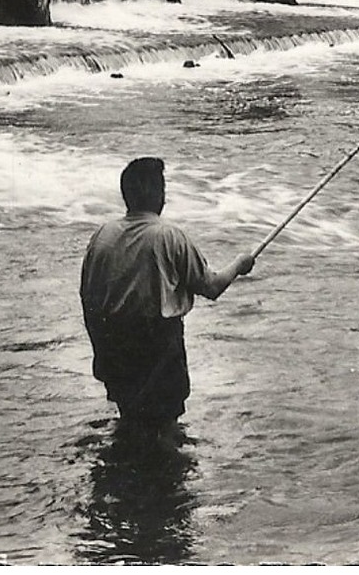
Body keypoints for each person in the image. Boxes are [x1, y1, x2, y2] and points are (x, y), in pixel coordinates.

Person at [81, 157, 255, 425]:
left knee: (130, 419)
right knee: (164, 426)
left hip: (113, 345)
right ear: (158, 194)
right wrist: (239, 265)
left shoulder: (102, 236)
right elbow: (211, 287)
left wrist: (100, 351)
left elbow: (87, 298)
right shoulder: (169, 236)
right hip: (157, 347)